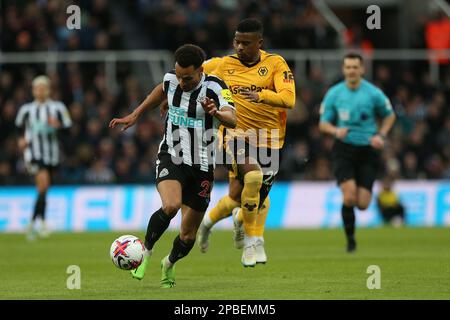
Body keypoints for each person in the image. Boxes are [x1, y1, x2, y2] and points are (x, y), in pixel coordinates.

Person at [109, 44, 236, 288]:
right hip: (172, 155)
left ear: (200, 70)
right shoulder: (172, 80)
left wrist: (217, 113)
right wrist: (136, 114)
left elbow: (233, 118)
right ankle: (145, 252)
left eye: (187, 78)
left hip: (202, 166)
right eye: (178, 75)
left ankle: (169, 263)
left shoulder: (216, 87)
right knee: (171, 205)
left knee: (188, 235)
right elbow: (161, 89)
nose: (181, 82)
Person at [196, 18, 296, 267]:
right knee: (253, 179)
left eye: (246, 43)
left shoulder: (275, 63)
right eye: (237, 42)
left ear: (259, 43)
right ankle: (253, 242)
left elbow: (289, 99)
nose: (240, 47)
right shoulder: (222, 64)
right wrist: (168, 93)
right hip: (234, 135)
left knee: (243, 197)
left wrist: (261, 95)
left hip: (270, 138)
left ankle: (211, 224)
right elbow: (191, 72)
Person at [319, 53, 396, 252]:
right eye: (348, 67)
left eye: (355, 67)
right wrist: (336, 130)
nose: (352, 70)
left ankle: (351, 232)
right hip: (344, 149)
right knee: (349, 196)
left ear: (362, 69)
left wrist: (381, 135)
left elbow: (390, 116)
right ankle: (351, 241)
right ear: (344, 70)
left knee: (362, 204)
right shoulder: (334, 93)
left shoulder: (373, 93)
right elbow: (323, 123)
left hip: (368, 151)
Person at [15, 75, 72, 240]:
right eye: (37, 88)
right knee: (44, 183)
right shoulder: (26, 110)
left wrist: (58, 126)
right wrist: (20, 140)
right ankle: (42, 223)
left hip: (53, 155)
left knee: (43, 189)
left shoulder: (58, 108)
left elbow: (69, 128)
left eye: (43, 88)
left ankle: (33, 223)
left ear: (48, 90)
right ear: (33, 91)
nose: (40, 91)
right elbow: (18, 127)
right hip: (34, 153)